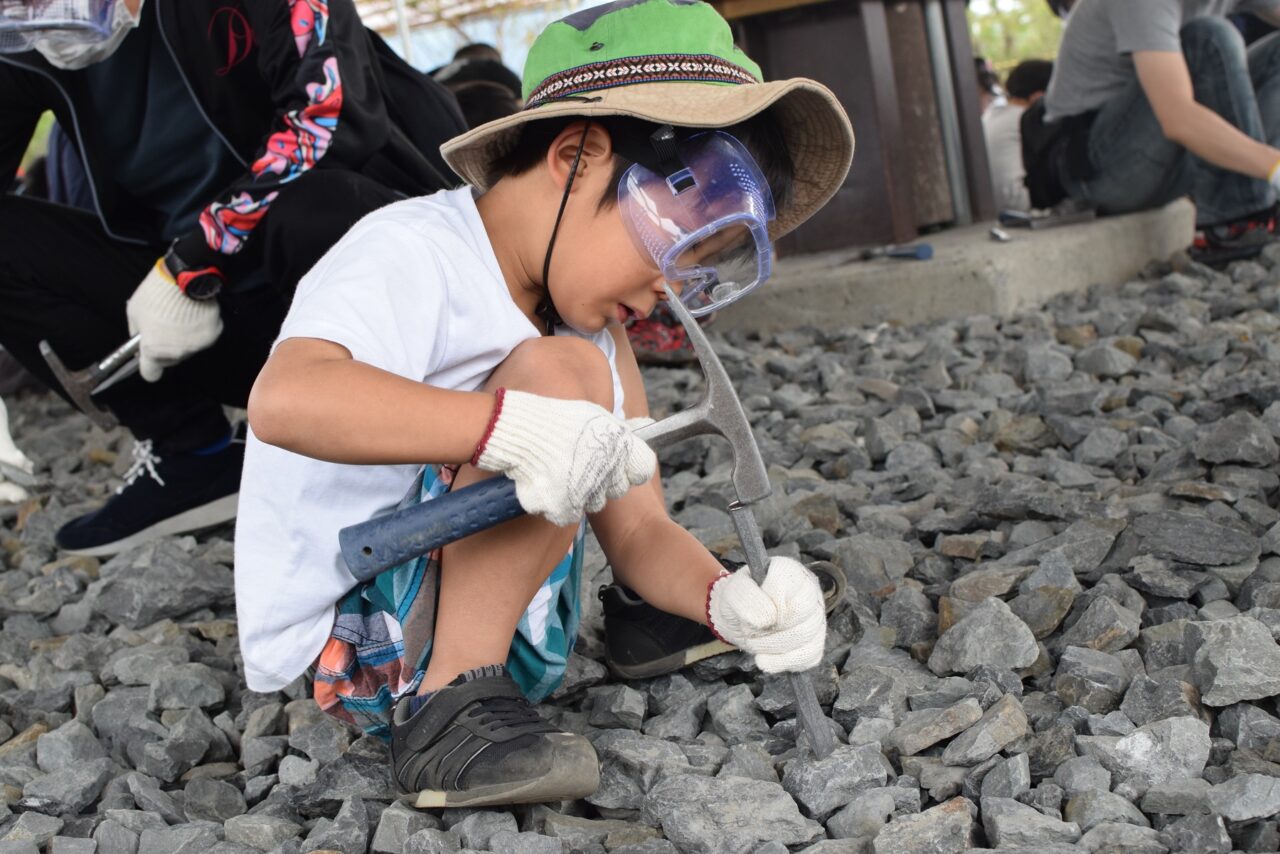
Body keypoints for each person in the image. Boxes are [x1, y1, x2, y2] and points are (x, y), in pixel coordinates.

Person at [236, 0, 854, 808]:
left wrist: (724, 600)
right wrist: (513, 429)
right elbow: (285, 399)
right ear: (576, 154)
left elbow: (638, 528)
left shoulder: (594, 336)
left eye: (697, 265)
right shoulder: (410, 251)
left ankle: (637, 628)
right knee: (563, 386)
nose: (669, 290)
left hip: (516, 642)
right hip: (355, 648)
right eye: (672, 246)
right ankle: (447, 713)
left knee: (578, 401)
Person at [0, 0, 466, 556]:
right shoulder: (27, 40)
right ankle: (194, 456)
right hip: (206, 323)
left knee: (315, 208)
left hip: (348, 277)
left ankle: (427, 438)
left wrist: (192, 264)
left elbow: (329, 118)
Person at [1033, 0, 1280, 254]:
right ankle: (1238, 221)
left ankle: (1262, 204)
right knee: (1208, 37)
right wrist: (1274, 166)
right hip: (1097, 172)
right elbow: (1178, 118)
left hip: (1166, 162)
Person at [984, 59, 1053, 211]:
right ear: (1038, 97)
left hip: (990, 207)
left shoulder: (991, 115)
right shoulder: (1027, 118)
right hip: (1022, 203)